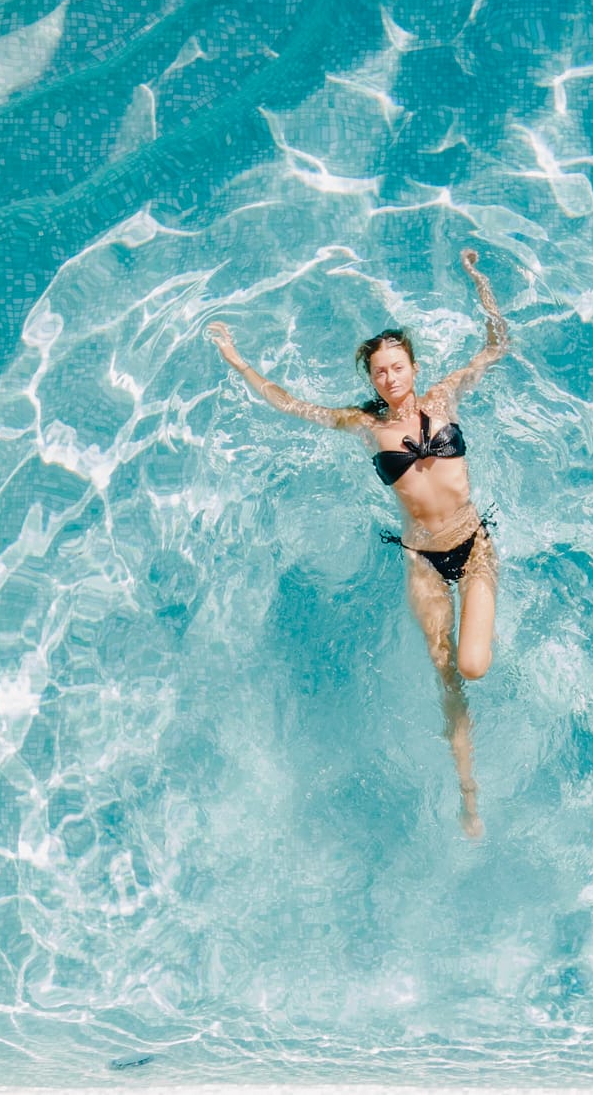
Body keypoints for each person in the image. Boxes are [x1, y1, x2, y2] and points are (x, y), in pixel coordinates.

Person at [206, 248, 510, 837]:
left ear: (413, 367)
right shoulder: (366, 426)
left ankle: (486, 618)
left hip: (473, 545)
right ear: (371, 380)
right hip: (421, 559)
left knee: (473, 664)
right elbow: (290, 403)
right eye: (379, 372)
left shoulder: (444, 399)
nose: (389, 377)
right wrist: (236, 360)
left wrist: (479, 282)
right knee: (446, 673)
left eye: (397, 366)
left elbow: (496, 345)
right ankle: (468, 794)